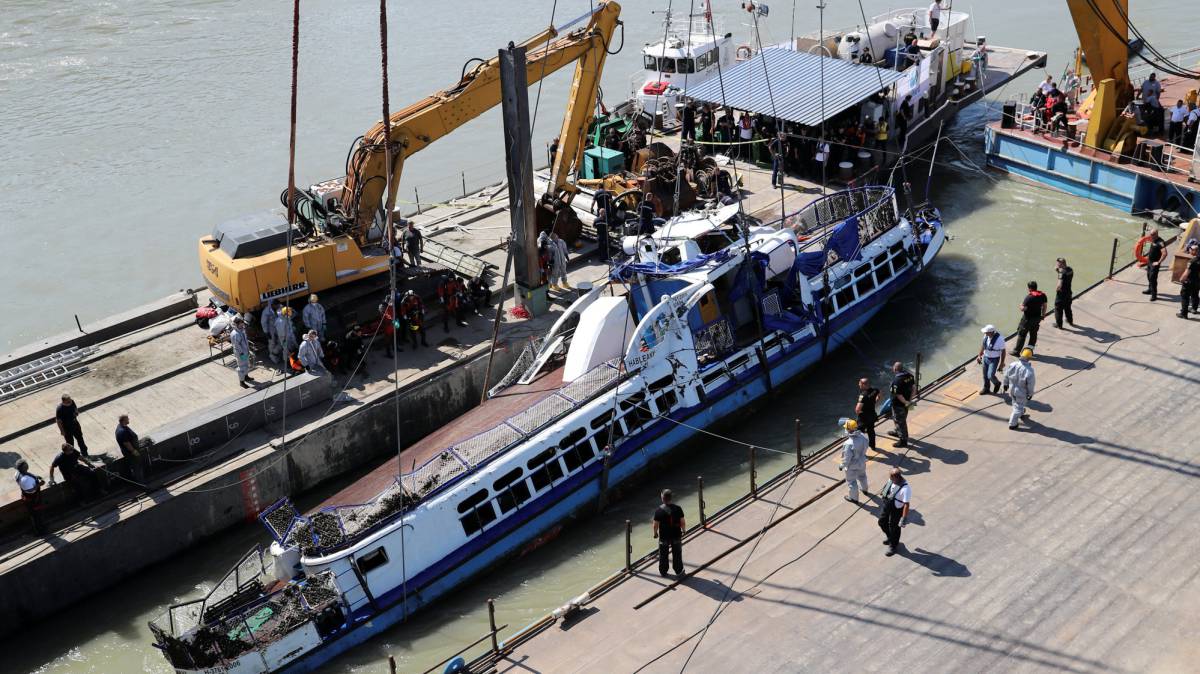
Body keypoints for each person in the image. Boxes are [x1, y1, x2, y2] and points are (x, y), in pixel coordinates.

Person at [652, 488, 686, 578]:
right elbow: (682, 522)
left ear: (662, 498)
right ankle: (678, 571)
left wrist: (655, 533)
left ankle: (663, 571)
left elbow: (655, 525)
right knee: (677, 554)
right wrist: (684, 530)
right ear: (671, 498)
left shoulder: (658, 511)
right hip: (676, 535)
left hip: (664, 537)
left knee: (663, 555)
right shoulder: (678, 509)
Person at [878, 468, 910, 557]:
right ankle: (889, 537)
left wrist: (903, 518)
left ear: (897, 478)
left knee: (894, 528)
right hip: (888, 504)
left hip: (897, 509)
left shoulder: (905, 488)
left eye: (891, 478)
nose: (890, 479)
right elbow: (887, 487)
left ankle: (893, 545)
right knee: (881, 522)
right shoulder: (891, 480)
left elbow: (906, 504)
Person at [837, 419, 870, 503]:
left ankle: (854, 498)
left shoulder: (848, 443)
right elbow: (866, 445)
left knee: (851, 481)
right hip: (862, 461)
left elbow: (846, 459)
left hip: (852, 465)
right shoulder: (862, 435)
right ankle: (865, 490)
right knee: (862, 476)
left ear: (848, 430)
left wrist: (841, 466)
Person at [1003, 348, 1037, 430]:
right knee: (1018, 407)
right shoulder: (1029, 371)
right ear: (1029, 358)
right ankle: (1012, 423)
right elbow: (1030, 385)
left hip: (1012, 389)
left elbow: (1006, 375)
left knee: (1015, 402)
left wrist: (1005, 384)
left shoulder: (1013, 364)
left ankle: (1021, 413)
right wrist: (1030, 394)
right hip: (1021, 392)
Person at [1012, 281, 1048, 355]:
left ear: (1029, 288)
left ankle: (1016, 351)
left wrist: (1021, 305)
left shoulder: (1029, 297)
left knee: (1022, 334)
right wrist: (1043, 315)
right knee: (1033, 334)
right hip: (1037, 318)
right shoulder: (1042, 295)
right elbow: (1044, 306)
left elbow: (1023, 309)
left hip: (1027, 319)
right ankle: (1029, 351)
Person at [115, 414, 149, 487]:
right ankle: (141, 484)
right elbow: (126, 443)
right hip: (131, 453)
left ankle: (140, 482)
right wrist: (134, 451)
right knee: (136, 467)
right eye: (127, 419)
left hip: (131, 451)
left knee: (137, 467)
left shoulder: (122, 426)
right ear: (124, 420)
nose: (129, 420)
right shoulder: (122, 431)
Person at [888, 362, 916, 448]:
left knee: (901, 422)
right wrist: (909, 401)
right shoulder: (910, 376)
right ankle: (898, 432)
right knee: (898, 419)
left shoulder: (897, 380)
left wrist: (905, 402)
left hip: (898, 405)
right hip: (907, 402)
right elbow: (914, 388)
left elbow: (898, 395)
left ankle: (903, 441)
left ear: (895, 369)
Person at [15, 459, 47, 535]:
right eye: (25, 464)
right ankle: (39, 530)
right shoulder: (25, 480)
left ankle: (38, 528)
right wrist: (40, 483)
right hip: (33, 500)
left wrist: (35, 477)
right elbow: (31, 490)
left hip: (26, 498)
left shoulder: (17, 473)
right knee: (36, 515)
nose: (27, 464)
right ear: (23, 467)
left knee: (33, 514)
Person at [977, 324, 1007, 395]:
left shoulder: (1000, 339)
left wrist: (1002, 363)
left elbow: (1003, 352)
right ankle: (986, 388)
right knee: (985, 375)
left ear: (991, 332)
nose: (985, 333)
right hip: (985, 357)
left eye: (986, 332)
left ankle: (997, 383)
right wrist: (979, 355)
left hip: (994, 359)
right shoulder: (986, 336)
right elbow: (983, 346)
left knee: (990, 375)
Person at [855, 377, 879, 450]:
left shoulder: (863, 395)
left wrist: (861, 412)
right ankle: (873, 446)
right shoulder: (875, 390)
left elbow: (857, 409)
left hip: (863, 418)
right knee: (871, 430)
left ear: (863, 384)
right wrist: (875, 402)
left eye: (860, 384)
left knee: (859, 434)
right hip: (872, 415)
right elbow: (880, 395)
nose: (859, 385)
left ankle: (861, 449)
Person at [230, 316, 254, 388]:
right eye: (240, 324)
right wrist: (241, 353)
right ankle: (241, 382)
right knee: (241, 367)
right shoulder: (235, 334)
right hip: (240, 353)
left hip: (245, 351)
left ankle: (246, 377)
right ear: (236, 324)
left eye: (242, 323)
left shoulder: (242, 331)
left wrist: (247, 349)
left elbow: (244, 341)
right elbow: (236, 345)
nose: (242, 325)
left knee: (246, 365)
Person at [1143, 228, 1164, 301]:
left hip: (1154, 264)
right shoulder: (1153, 239)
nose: (1150, 235)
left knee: (1153, 279)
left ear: (1156, 234)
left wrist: (1158, 262)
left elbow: (1165, 253)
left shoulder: (1160, 242)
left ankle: (1154, 295)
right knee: (1149, 276)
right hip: (1149, 261)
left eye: (1152, 234)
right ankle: (1150, 289)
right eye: (1150, 234)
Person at [1178, 251, 1200, 319]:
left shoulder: (1192, 261)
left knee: (1185, 297)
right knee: (1195, 294)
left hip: (1189, 282)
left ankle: (1184, 314)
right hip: (1198, 281)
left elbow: (1186, 272)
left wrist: (1181, 279)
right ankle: (1194, 309)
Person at [1054, 257, 1075, 328]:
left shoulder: (1061, 273)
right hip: (1068, 293)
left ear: (1061, 264)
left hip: (1061, 295)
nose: (1057, 265)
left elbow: (1059, 284)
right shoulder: (1070, 269)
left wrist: (1057, 289)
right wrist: (1058, 271)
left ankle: (1059, 324)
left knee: (1058, 309)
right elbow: (1065, 275)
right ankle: (1070, 321)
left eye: (1058, 264)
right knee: (1067, 308)